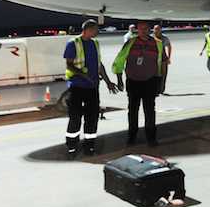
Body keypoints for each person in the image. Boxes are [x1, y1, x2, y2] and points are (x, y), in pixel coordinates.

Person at [62, 19, 118, 158]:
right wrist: (84, 76)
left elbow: (99, 65)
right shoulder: (73, 43)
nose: (98, 32)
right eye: (96, 29)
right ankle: (72, 145)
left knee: (92, 118)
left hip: (92, 88)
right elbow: (69, 65)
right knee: (75, 117)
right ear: (88, 29)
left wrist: (108, 81)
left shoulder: (95, 43)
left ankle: (89, 145)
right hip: (76, 87)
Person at [113, 19, 167, 146]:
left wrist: (163, 82)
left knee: (150, 111)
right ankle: (132, 137)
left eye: (146, 28)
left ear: (150, 30)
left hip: (150, 81)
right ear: (137, 30)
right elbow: (119, 61)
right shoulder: (130, 43)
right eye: (141, 28)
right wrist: (119, 79)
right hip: (133, 81)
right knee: (132, 111)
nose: (143, 31)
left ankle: (151, 138)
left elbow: (164, 63)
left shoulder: (158, 44)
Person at [153, 23, 172, 96]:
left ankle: (161, 89)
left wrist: (169, 57)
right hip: (154, 59)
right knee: (154, 75)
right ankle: (155, 89)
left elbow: (169, 46)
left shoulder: (164, 38)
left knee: (163, 75)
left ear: (160, 29)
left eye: (158, 29)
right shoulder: (150, 37)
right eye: (155, 29)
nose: (156, 30)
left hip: (163, 58)